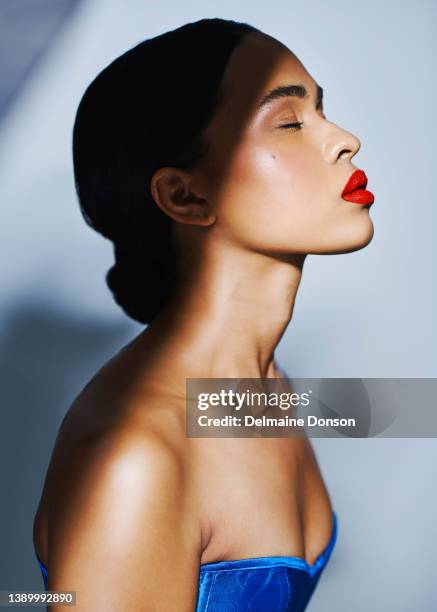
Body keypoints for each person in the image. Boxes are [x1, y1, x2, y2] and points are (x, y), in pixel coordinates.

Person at [33, 17, 374, 611]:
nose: (345, 139)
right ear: (185, 196)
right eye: (290, 122)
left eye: (322, 111)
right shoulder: (135, 463)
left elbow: (391, 410)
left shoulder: (256, 386)